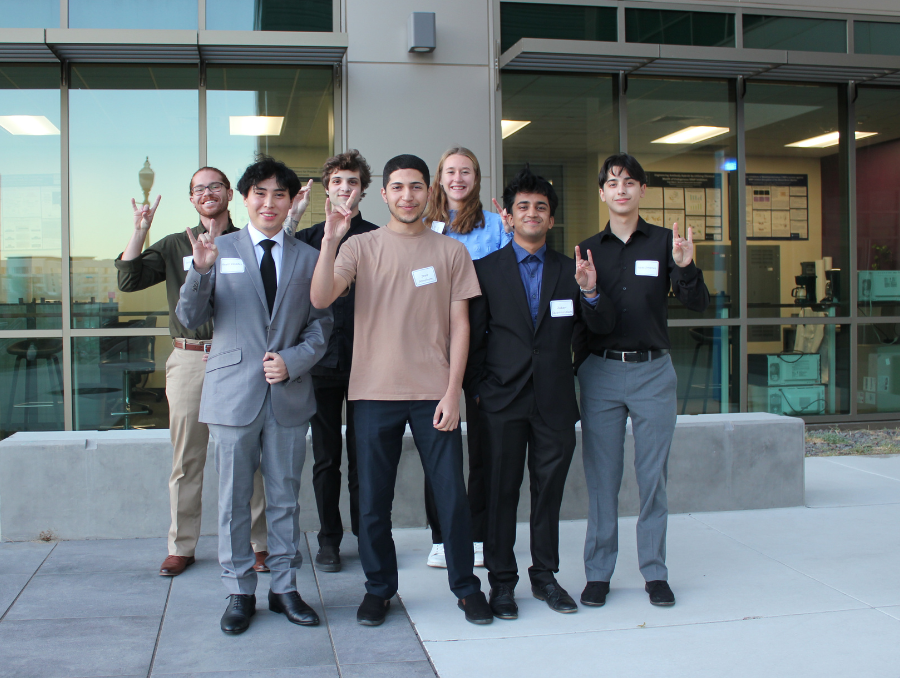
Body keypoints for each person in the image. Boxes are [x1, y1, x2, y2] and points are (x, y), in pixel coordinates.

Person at [311, 154, 493, 626]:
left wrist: (453, 392)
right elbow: (320, 297)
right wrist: (330, 239)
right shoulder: (361, 246)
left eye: (415, 187)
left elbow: (460, 327)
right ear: (385, 193)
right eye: (397, 187)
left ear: (426, 191)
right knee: (373, 501)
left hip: (435, 391)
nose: (407, 195)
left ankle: (466, 587)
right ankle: (379, 589)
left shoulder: (451, 251)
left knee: (451, 497)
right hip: (372, 392)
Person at [176, 156, 332, 635]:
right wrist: (201, 272)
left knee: (285, 499)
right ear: (244, 199)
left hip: (287, 392)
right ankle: (239, 590)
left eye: (279, 195)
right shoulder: (215, 248)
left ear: (291, 203)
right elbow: (188, 316)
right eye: (260, 194)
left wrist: (295, 360)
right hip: (230, 394)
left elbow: (322, 325)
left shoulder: (308, 257)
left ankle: (285, 587)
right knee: (232, 500)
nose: (269, 202)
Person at [115, 167, 290, 577]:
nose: (207, 193)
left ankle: (259, 543)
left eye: (215, 186)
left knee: (251, 454)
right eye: (199, 189)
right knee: (186, 457)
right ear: (191, 199)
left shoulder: (248, 241)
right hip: (191, 358)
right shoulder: (178, 243)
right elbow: (128, 278)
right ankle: (182, 544)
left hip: (241, 357)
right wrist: (140, 229)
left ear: (231, 194)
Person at [465, 166, 615, 619]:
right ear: (508, 218)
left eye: (541, 208)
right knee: (500, 493)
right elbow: (474, 339)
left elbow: (599, 330)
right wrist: (478, 394)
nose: (532, 213)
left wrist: (590, 293)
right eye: (523, 207)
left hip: (553, 402)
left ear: (552, 220)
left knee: (548, 493)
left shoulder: (573, 271)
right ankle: (502, 582)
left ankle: (545, 576)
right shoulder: (483, 271)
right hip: (499, 402)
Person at [575, 154, 709, 609]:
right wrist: (590, 292)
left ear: (642, 191)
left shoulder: (666, 243)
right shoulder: (588, 248)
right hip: (602, 371)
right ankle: (598, 573)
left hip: (654, 371)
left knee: (653, 478)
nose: (621, 189)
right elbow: (584, 320)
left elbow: (699, 305)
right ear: (602, 193)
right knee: (602, 479)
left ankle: (654, 572)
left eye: (630, 182)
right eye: (612, 182)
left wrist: (686, 268)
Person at [420, 146, 513, 569]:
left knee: (482, 448)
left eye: (466, 171)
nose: (458, 178)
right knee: (437, 445)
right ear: (440, 177)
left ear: (477, 178)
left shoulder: (495, 226)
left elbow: (512, 276)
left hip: (483, 350)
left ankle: (475, 534)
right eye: (450, 171)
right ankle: (440, 535)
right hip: (432, 347)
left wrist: (514, 233)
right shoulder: (423, 226)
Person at [295, 150, 378, 573]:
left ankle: (368, 538)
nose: (345, 187)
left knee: (365, 457)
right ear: (327, 188)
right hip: (322, 365)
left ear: (364, 189)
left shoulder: (378, 237)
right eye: (338, 181)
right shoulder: (308, 239)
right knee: (326, 458)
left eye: (353, 181)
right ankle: (329, 540)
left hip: (368, 365)